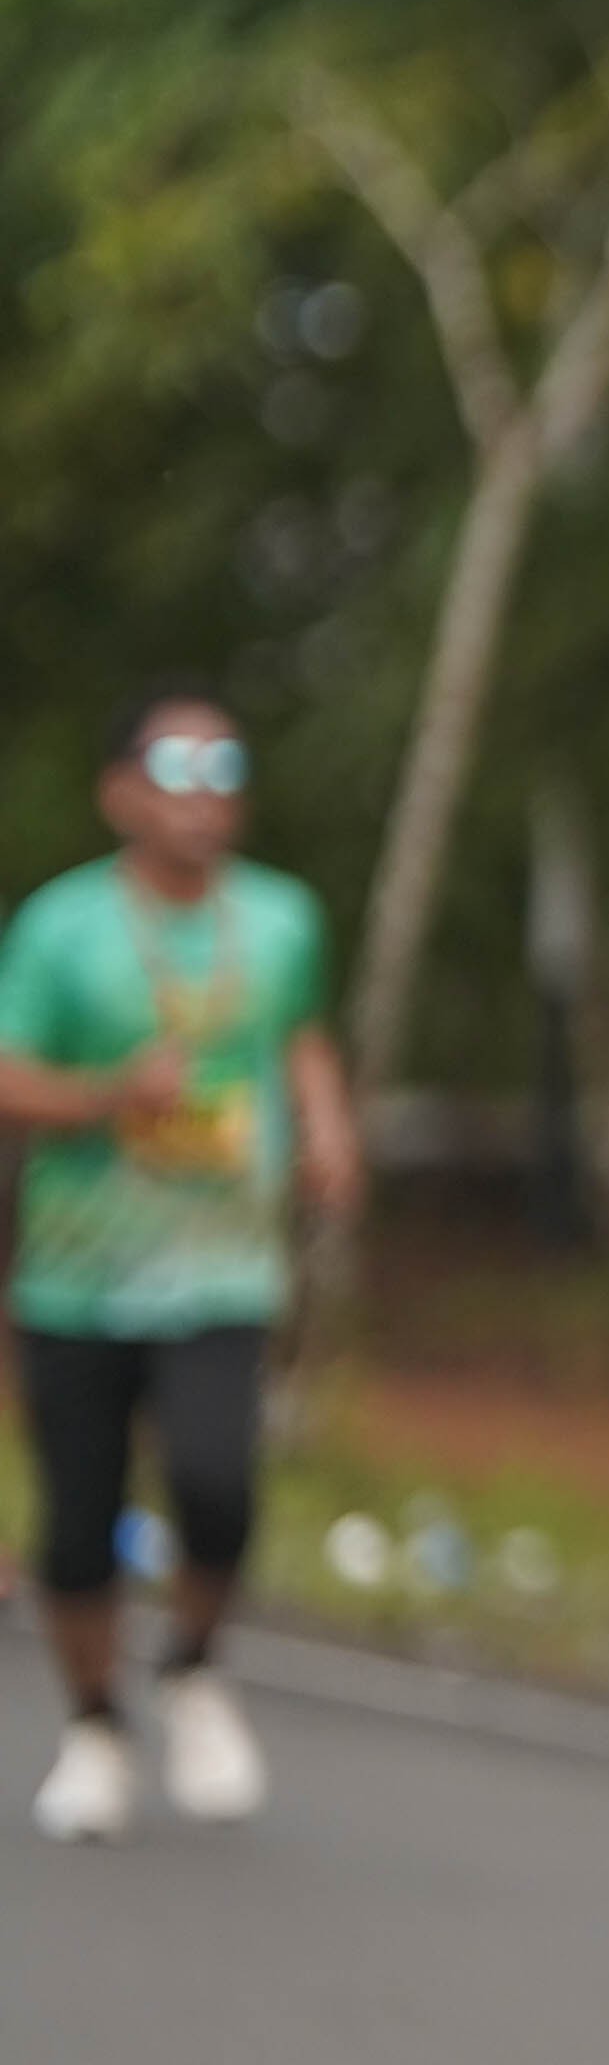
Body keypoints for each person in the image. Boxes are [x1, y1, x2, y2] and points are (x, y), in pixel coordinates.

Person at [0, 686, 364, 1841]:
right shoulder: (62, 927)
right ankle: (96, 1727)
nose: (202, 801)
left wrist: (327, 1127)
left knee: (217, 1483)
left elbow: (299, 1037)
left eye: (224, 774)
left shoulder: (283, 920)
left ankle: (193, 1666)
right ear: (120, 795)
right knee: (78, 1521)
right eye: (175, 774)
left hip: (221, 1266)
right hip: (78, 1272)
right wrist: (111, 1095)